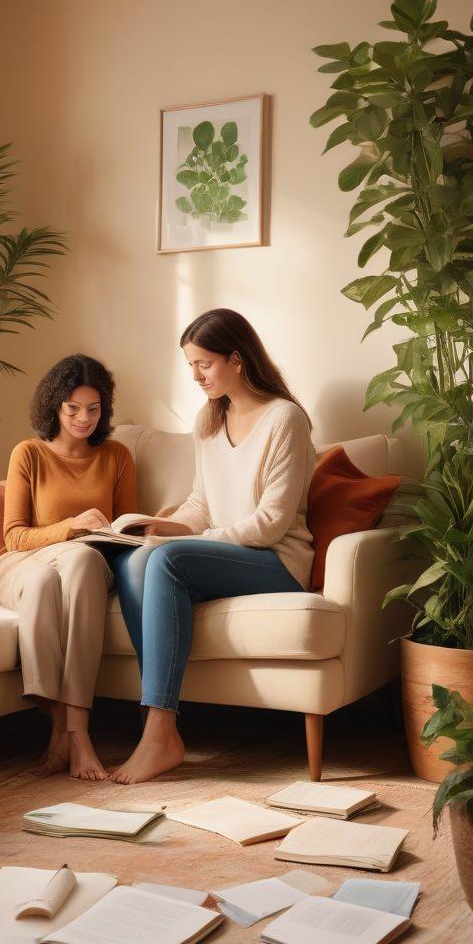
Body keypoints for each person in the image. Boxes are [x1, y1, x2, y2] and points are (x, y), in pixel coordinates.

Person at [108, 308, 315, 784]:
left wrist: (192, 543)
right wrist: (156, 526)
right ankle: (157, 727)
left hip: (276, 561)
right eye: (190, 366)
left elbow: (269, 523)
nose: (196, 375)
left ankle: (158, 731)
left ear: (237, 359)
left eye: (204, 363)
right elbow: (201, 504)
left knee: (168, 561)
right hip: (224, 554)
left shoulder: (285, 418)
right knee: (137, 561)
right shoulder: (209, 418)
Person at [0, 355, 137, 780]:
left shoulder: (117, 457)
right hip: (23, 562)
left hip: (86, 564)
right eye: (73, 408)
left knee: (85, 560)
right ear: (54, 406)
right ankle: (67, 726)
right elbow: (14, 536)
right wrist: (72, 527)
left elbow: (126, 531)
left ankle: (73, 729)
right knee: (43, 576)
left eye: (94, 408)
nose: (84, 418)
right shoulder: (29, 454)